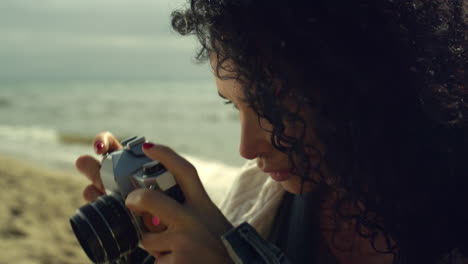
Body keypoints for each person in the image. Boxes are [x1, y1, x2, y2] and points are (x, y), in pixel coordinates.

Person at [75, 0, 467, 263]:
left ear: (362, 82)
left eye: (273, 109)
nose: (246, 148)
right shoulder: (262, 198)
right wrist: (149, 247)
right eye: (235, 106)